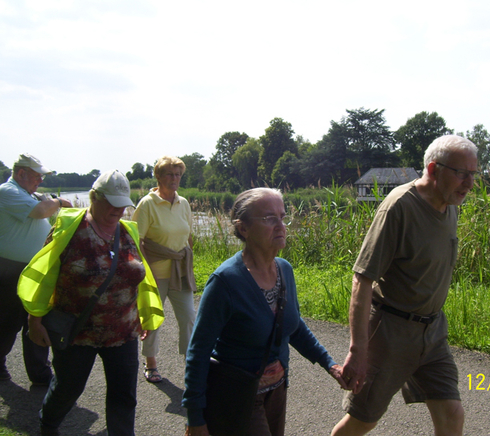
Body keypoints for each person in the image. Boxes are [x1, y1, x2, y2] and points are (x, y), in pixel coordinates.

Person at [330, 135, 478, 436]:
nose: (469, 183)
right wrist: (359, 350)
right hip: (390, 333)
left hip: (433, 332)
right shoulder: (398, 207)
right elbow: (363, 279)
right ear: (434, 169)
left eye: (473, 174)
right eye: (462, 173)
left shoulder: (450, 204)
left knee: (452, 413)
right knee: (362, 421)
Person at [182, 187, 348, 436]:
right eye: (269, 218)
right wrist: (195, 417)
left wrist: (330, 364)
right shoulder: (225, 281)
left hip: (277, 391)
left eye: (282, 216)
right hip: (238, 394)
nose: (280, 225)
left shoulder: (285, 270)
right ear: (243, 228)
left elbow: (293, 326)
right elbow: (198, 352)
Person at [17, 170, 164, 436]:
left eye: (123, 204)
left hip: (123, 331)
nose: (118, 209)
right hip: (77, 333)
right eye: (111, 202)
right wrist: (34, 319)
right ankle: (48, 423)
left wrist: (144, 314)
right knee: (68, 388)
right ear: (94, 197)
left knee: (124, 394)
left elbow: (139, 278)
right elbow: (47, 277)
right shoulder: (69, 231)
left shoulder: (128, 232)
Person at [0, 153, 72, 386]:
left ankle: (40, 374)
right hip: (10, 269)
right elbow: (41, 211)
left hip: (33, 268)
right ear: (21, 173)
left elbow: (43, 206)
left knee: (37, 317)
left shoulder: (27, 194)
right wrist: (59, 202)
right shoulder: (7, 192)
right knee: (8, 322)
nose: (40, 180)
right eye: (36, 176)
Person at [132, 155, 196, 383]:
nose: (175, 178)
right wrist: (145, 273)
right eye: (170, 174)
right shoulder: (147, 204)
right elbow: (136, 241)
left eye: (178, 174)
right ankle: (151, 363)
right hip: (155, 273)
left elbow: (188, 238)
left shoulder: (184, 203)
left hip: (179, 272)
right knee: (153, 320)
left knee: (188, 317)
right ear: (158, 176)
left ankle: (192, 363)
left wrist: (188, 264)